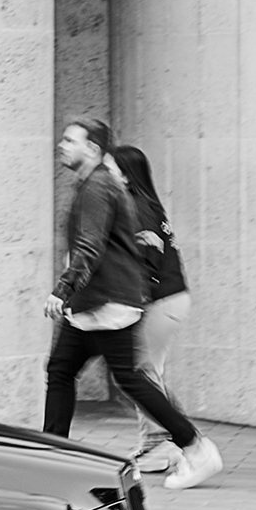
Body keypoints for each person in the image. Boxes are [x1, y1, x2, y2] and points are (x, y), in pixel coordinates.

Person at [42, 118, 221, 481]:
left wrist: (62, 289)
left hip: (106, 304)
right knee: (64, 371)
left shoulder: (96, 186)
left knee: (129, 379)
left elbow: (89, 246)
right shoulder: (95, 184)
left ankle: (196, 447)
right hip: (95, 304)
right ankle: (52, 457)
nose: (62, 145)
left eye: (69, 140)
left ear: (92, 149)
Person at [108, 132, 194, 399]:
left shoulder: (138, 207)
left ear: (124, 176)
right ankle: (173, 435)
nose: (102, 175)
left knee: (143, 373)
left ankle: (167, 437)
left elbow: (148, 258)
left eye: (107, 169)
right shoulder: (141, 204)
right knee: (145, 372)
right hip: (169, 298)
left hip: (162, 300)